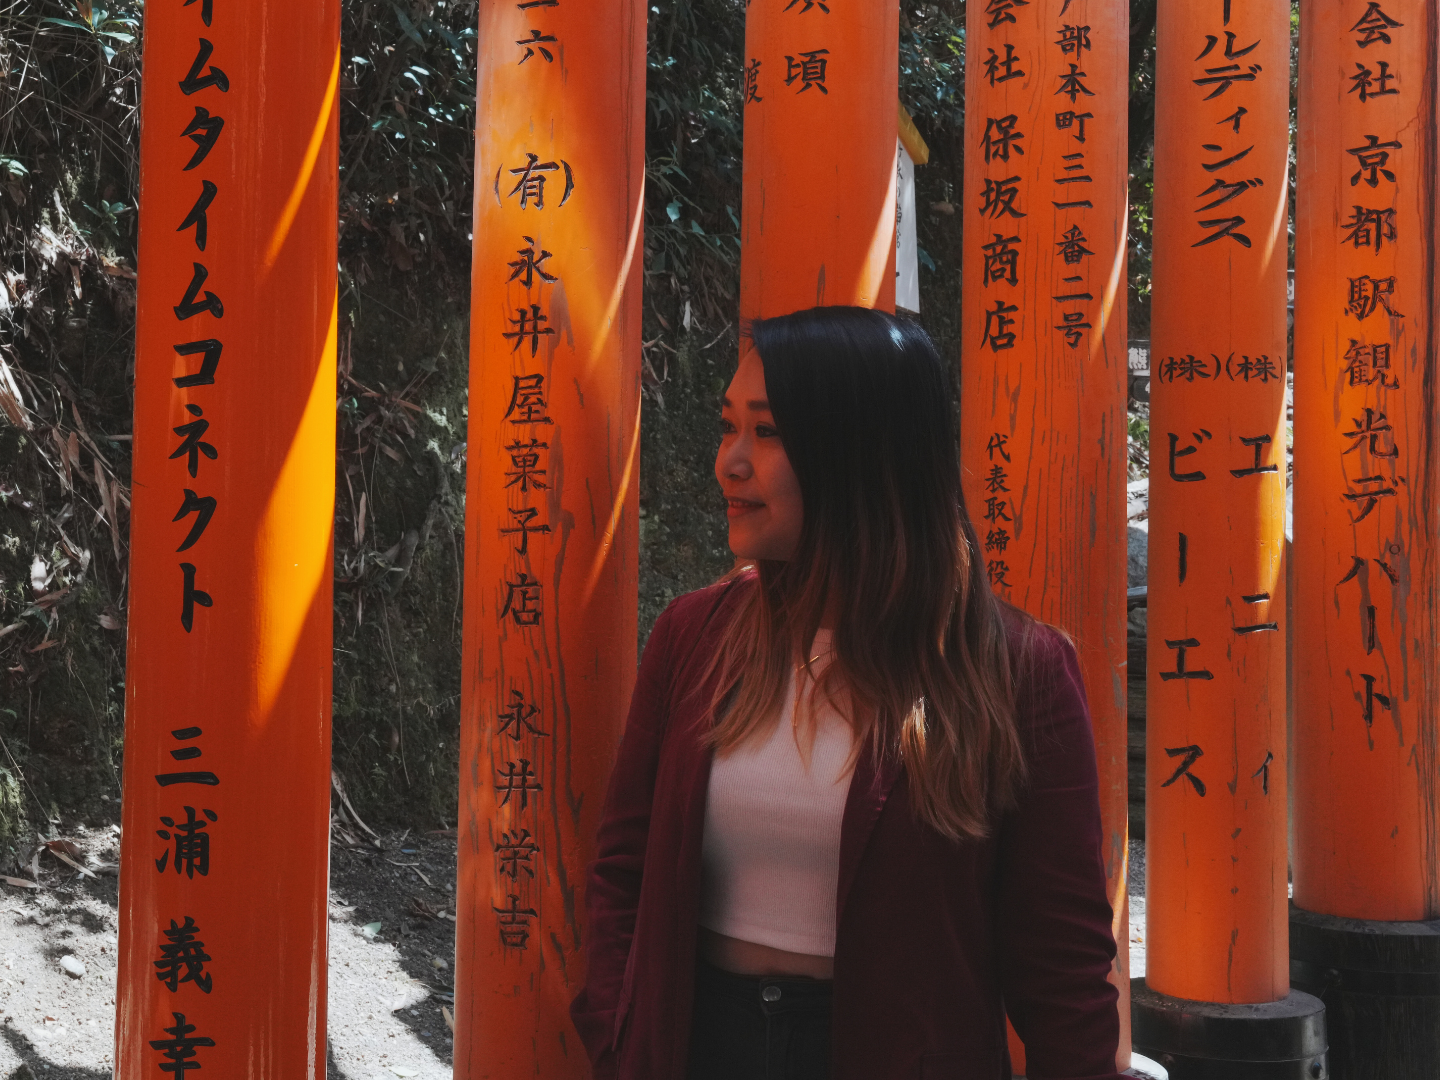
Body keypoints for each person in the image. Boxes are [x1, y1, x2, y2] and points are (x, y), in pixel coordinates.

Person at [571, 306, 1123, 1080]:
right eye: (729, 427)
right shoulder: (694, 634)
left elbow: (1062, 969)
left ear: (857, 453)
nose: (729, 462)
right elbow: (623, 869)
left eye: (766, 433)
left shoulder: (1015, 672)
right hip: (700, 1046)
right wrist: (617, 1033)